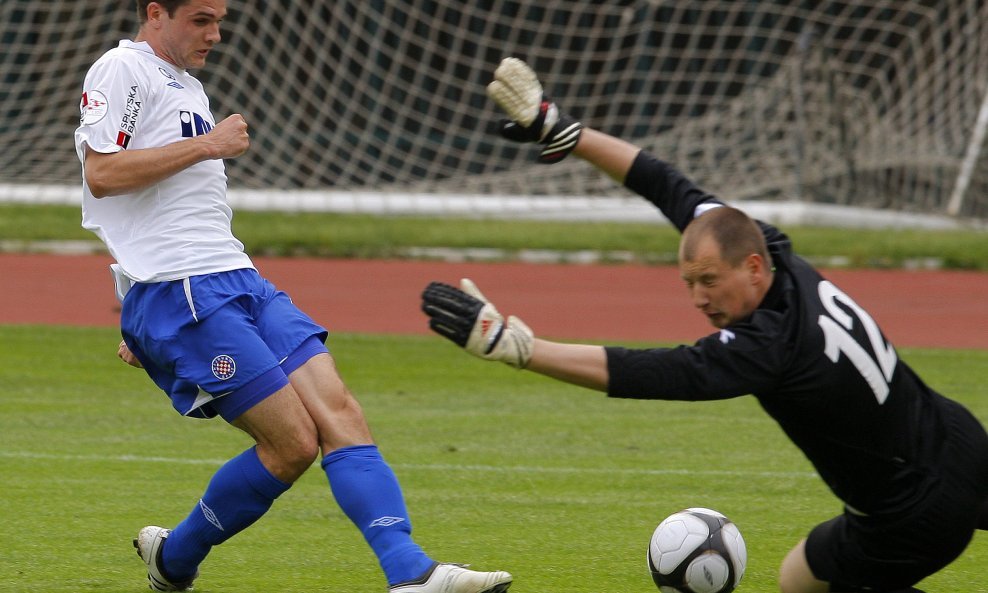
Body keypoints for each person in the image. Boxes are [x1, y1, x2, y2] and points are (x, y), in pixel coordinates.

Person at [420, 57, 988, 593]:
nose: (698, 297)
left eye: (710, 281)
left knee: (798, 579)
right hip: (962, 441)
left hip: (910, 514)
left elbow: (652, 372)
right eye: (689, 281)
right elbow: (666, 184)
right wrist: (562, 130)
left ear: (753, 267)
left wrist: (518, 348)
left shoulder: (768, 349)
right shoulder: (778, 252)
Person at [73, 2, 513, 592]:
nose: (216, 33)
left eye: (219, 19)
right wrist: (208, 147)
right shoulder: (122, 69)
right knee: (291, 445)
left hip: (237, 276)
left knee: (341, 412)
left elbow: (163, 213)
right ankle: (175, 558)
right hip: (182, 292)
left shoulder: (187, 86)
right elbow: (102, 174)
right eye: (201, 19)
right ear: (156, 13)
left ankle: (410, 573)